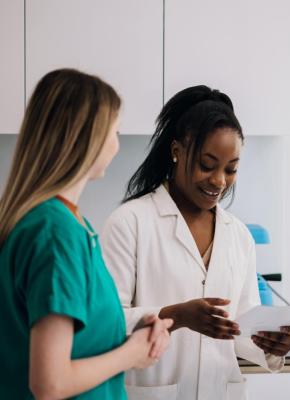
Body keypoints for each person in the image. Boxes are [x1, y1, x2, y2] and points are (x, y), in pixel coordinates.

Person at [101, 85, 290, 400]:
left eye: (231, 169)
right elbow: (106, 321)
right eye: (208, 164)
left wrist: (269, 342)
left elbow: (240, 327)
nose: (219, 180)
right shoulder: (130, 223)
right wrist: (176, 316)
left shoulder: (238, 236)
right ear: (178, 151)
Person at [0, 69, 173, 399]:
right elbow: (50, 383)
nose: (117, 143)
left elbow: (66, 337)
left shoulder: (59, 223)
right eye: (115, 131)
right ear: (87, 137)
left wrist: (130, 333)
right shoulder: (56, 233)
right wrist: (131, 355)